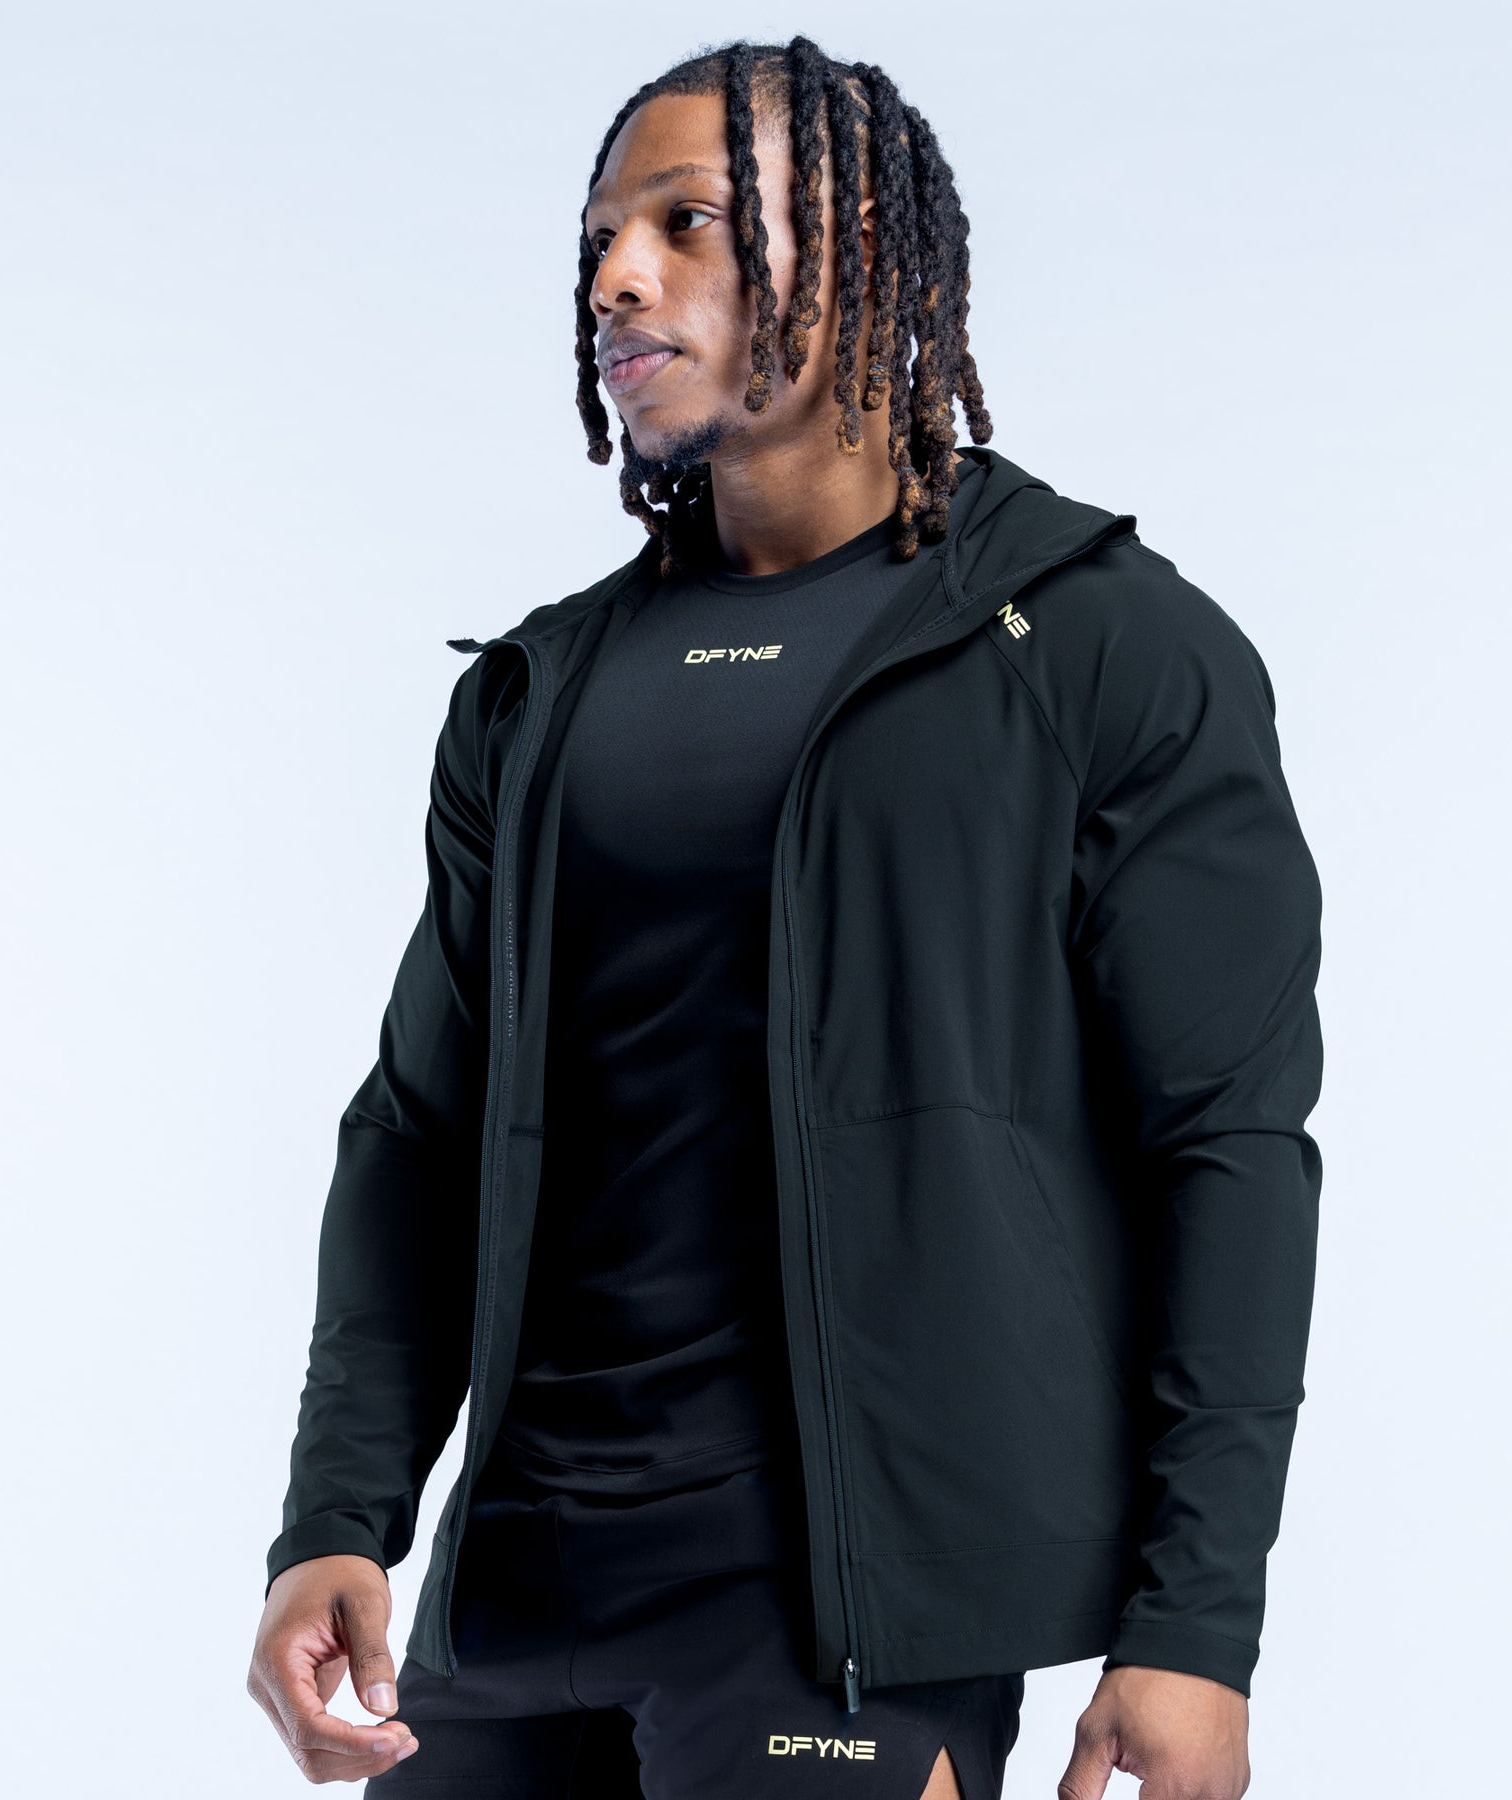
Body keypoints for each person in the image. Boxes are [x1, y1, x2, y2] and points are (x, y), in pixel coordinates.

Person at [244, 35, 1323, 1800]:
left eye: (687, 223)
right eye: (602, 237)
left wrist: (1193, 1626)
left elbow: (1229, 1143)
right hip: (510, 1606)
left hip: (843, 1626)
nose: (617, 275)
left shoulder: (1098, 645)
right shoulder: (538, 691)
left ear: (863, 249)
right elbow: (417, 1133)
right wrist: (336, 1518)